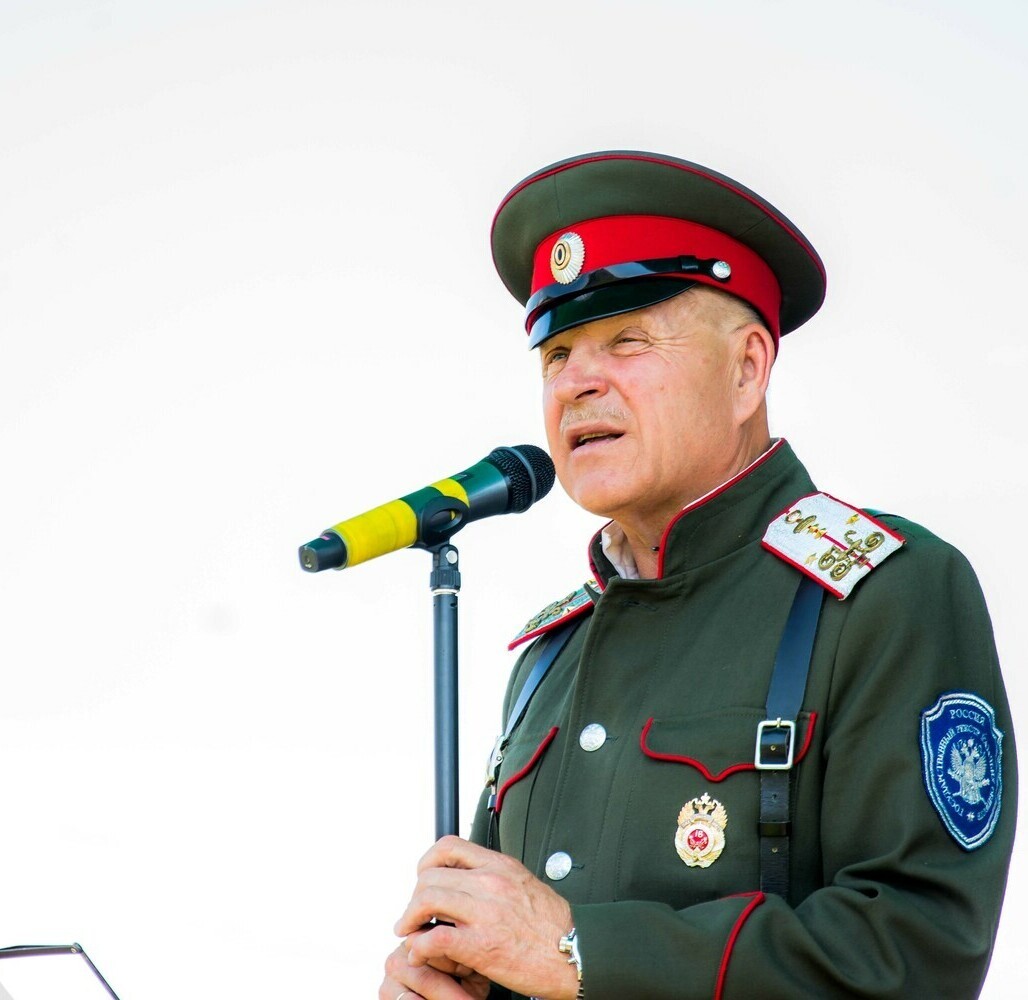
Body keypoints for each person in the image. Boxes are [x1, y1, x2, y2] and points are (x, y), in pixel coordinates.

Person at [379, 151, 1016, 1000]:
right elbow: (519, 953)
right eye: (556, 352)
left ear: (747, 369)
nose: (576, 383)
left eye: (627, 340)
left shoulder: (883, 592)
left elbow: (916, 953)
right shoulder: (547, 658)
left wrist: (580, 950)